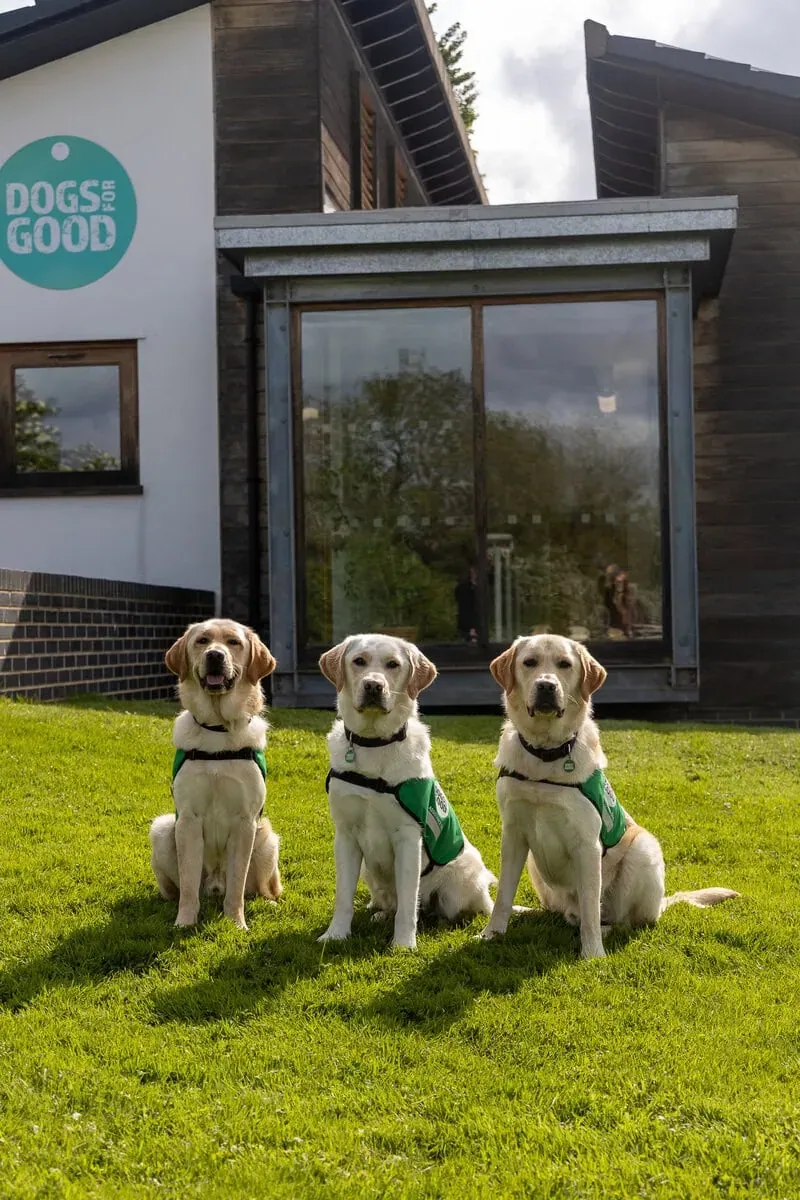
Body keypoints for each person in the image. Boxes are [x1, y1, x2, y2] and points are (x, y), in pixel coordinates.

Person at [454, 564, 479, 644]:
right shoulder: (464, 588)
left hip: (475, 623)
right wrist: (471, 627)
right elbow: (466, 607)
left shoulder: (480, 587)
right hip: (468, 623)